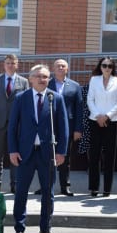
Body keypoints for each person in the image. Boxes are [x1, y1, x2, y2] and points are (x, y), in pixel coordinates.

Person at [8, 64, 69, 233]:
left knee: (48, 193)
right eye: (39, 76)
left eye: (46, 77)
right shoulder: (21, 98)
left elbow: (63, 128)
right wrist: (13, 149)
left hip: (47, 154)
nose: (43, 80)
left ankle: (45, 230)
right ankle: (19, 229)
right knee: (21, 192)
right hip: (25, 153)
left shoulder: (55, 98)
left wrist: (61, 152)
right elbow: (12, 127)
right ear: (30, 78)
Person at [33, 59, 82, 196]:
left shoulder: (75, 86)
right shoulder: (47, 84)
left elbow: (79, 109)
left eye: (63, 66)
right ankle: (45, 186)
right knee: (46, 157)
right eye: (58, 66)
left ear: (67, 69)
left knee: (65, 157)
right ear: (53, 69)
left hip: (68, 126)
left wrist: (78, 129)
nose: (60, 68)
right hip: (49, 125)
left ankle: (64, 186)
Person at [0, 54, 29, 194]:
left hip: (17, 125)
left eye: (13, 63)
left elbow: (26, 105)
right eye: (8, 63)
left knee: (15, 154)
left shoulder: (23, 82)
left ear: (17, 65)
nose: (10, 65)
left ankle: (15, 184)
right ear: (4, 65)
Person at [87, 57, 117, 197]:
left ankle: (107, 189)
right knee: (94, 155)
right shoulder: (94, 80)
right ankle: (94, 187)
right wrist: (98, 116)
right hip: (95, 121)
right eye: (104, 65)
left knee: (109, 156)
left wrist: (107, 116)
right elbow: (90, 99)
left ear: (113, 67)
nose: (107, 68)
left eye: (109, 66)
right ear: (100, 67)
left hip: (112, 121)